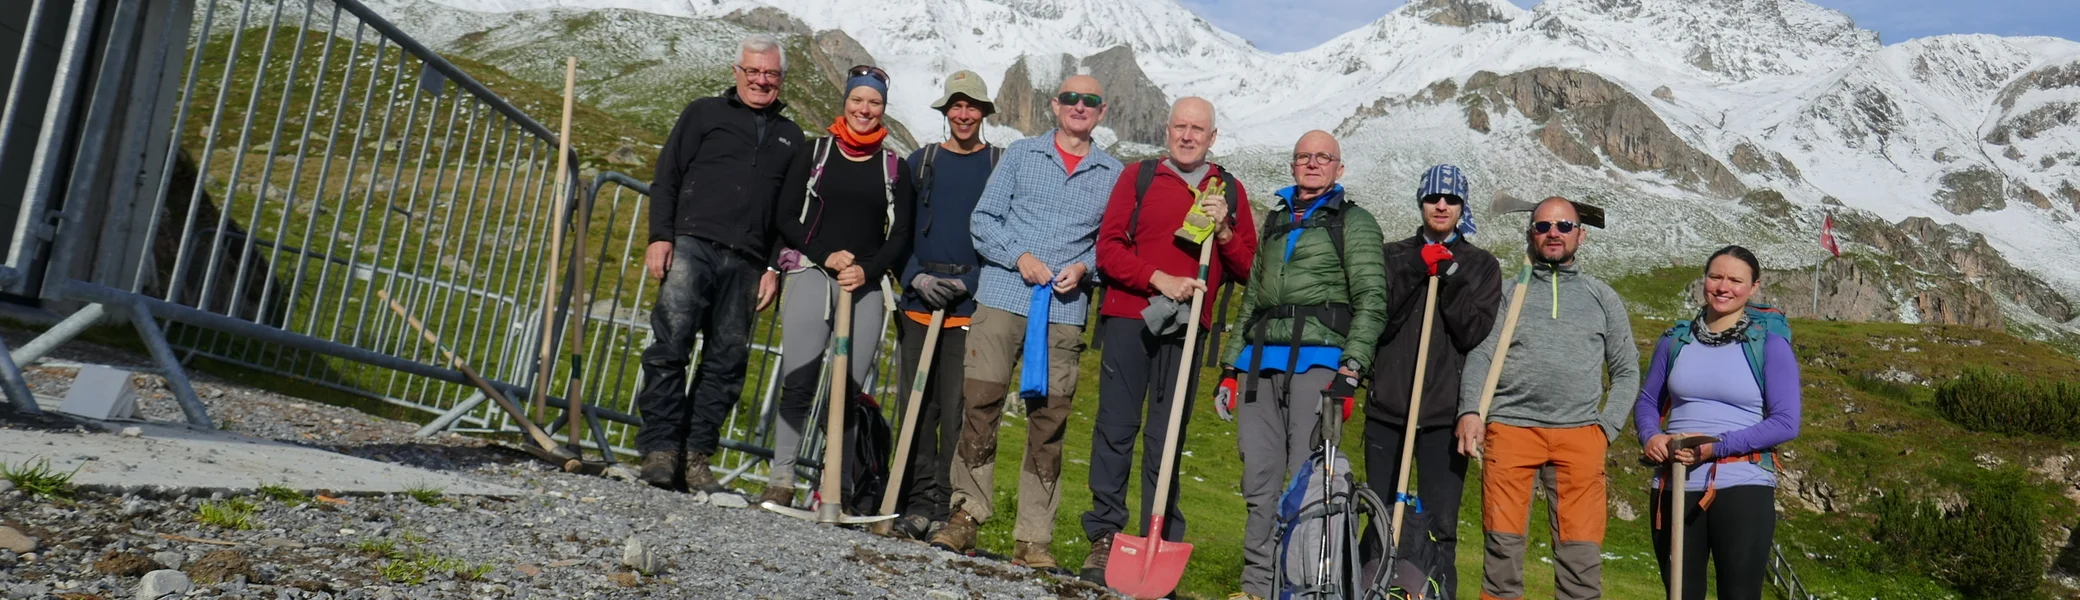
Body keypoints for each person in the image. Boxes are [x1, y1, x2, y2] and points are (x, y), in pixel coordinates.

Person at [931, 74, 1122, 574]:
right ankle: (966, 515)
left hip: (1064, 309)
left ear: (1101, 111)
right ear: (1056, 105)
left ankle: (1034, 538)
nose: (1081, 106)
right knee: (981, 403)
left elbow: (1111, 245)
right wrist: (1019, 257)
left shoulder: (1114, 173)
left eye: (1092, 100)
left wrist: (1086, 269)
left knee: (1050, 419)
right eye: (1072, 99)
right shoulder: (1019, 156)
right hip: (1002, 296)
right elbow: (984, 220)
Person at [1079, 97, 1259, 584]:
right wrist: (1158, 278)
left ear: (1212, 137)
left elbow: (1248, 269)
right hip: (1129, 317)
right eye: (1180, 126)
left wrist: (1222, 230)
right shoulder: (1138, 177)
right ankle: (1104, 537)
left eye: (1197, 129)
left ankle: (1157, 535)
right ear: (1167, 129)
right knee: (1116, 428)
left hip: (1190, 326)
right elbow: (1108, 251)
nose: (1187, 135)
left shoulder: (1232, 192)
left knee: (1168, 435)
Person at [1215, 130, 1387, 600]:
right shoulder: (1274, 221)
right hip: (1258, 368)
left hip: (1319, 365)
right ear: (1293, 165)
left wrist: (1351, 371)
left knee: (1305, 483)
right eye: (1303, 157)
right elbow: (1252, 299)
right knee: (1259, 480)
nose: (1312, 164)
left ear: (1339, 168)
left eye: (1323, 157)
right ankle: (1256, 587)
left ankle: (1299, 589)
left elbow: (1372, 300)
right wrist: (1229, 369)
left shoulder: (1355, 222)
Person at [634, 34, 798, 493]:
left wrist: (773, 267)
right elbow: (667, 177)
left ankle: (695, 457)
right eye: (753, 71)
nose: (761, 80)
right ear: (736, 72)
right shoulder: (703, 112)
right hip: (693, 244)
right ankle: (661, 449)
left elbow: (787, 214)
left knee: (726, 362)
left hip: (748, 261)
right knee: (671, 345)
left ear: (781, 79)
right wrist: (659, 237)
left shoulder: (791, 135)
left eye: (770, 73)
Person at [1456, 196, 1638, 600]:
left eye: (1563, 226)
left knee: (1581, 562)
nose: (1553, 233)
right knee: (1501, 558)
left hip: (1580, 437)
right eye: (1543, 226)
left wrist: (1605, 430)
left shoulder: (1602, 297)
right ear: (1530, 234)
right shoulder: (1507, 293)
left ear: (1581, 235)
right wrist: (1470, 411)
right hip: (1510, 429)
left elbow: (1626, 370)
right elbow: (1481, 355)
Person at [761, 65, 915, 509]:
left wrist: (866, 271)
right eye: (857, 100)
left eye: (874, 102)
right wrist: (827, 254)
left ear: (883, 108)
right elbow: (787, 217)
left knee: (847, 391)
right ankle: (781, 479)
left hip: (864, 287)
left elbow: (900, 234)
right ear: (845, 102)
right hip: (812, 273)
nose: (865, 109)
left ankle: (838, 488)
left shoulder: (894, 168)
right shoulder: (815, 153)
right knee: (799, 379)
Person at [1634, 245, 1802, 600]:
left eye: (1735, 280)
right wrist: (1651, 437)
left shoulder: (1769, 345)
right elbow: (1649, 402)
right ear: (1704, 280)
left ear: (1753, 287)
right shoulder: (1674, 340)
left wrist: (1716, 446)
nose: (1723, 287)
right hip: (1674, 484)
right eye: (1716, 276)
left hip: (1743, 484)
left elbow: (1786, 422)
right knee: (1680, 593)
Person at [1367, 164, 1501, 593]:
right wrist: (1414, 271)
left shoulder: (1480, 265)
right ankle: (1373, 588)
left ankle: (1437, 592)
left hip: (1443, 416)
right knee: (1380, 517)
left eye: (1451, 199)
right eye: (1433, 198)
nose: (1441, 206)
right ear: (1421, 202)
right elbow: (1378, 320)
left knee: (1440, 524)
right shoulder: (1392, 256)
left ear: (1463, 207)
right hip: (1389, 410)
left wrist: (1450, 279)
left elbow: (1473, 331)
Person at [884, 70, 1003, 540]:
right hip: (919, 301)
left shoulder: (998, 165)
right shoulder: (921, 163)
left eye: (972, 106)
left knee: (956, 408)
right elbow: (900, 233)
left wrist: (969, 283)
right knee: (919, 405)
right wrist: (916, 275)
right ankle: (913, 501)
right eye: (956, 106)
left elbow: (1001, 238)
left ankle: (944, 506)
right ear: (946, 111)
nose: (964, 114)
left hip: (969, 310)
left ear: (984, 113)